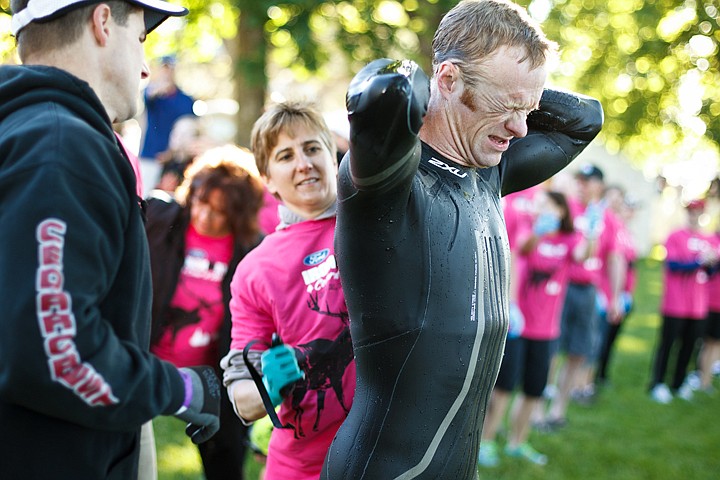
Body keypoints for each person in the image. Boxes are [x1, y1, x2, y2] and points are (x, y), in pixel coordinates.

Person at [321, 1, 604, 478]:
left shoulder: (491, 172)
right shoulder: (388, 181)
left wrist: (512, 91)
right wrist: (452, 79)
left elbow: (586, 119)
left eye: (528, 111)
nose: (520, 129)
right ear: (447, 81)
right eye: (506, 107)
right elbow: (387, 87)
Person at [0, 2, 222, 479]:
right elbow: (55, 354)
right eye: (140, 38)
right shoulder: (60, 146)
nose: (145, 66)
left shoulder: (25, 130)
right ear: (103, 23)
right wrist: (184, 389)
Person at [221, 101, 356, 480]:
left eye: (313, 148)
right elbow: (242, 399)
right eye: (285, 155)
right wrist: (268, 386)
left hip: (392, 459)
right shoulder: (255, 269)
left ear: (333, 156)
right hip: (303, 467)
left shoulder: (376, 223)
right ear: (267, 178)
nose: (303, 164)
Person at [146, 146, 265, 479]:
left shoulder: (252, 250)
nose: (203, 216)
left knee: (224, 458)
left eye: (218, 211)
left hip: (212, 376)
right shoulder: (161, 219)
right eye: (199, 201)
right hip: (148, 360)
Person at [479, 190, 591, 467]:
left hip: (547, 330)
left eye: (549, 206)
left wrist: (592, 231)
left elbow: (582, 254)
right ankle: (487, 441)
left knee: (533, 390)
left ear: (562, 211)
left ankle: (518, 441)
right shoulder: (528, 230)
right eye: (540, 205)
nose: (541, 209)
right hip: (520, 327)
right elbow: (524, 248)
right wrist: (540, 233)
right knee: (503, 389)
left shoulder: (569, 239)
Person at [649, 199, 719, 403]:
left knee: (689, 346)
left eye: (698, 212)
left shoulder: (709, 240)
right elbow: (673, 265)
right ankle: (658, 382)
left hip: (697, 305)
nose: (694, 215)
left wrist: (711, 263)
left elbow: (710, 273)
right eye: (691, 211)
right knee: (668, 344)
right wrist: (699, 261)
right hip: (675, 303)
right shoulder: (675, 236)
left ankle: (678, 383)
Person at [139, 54, 195, 197]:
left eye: (169, 68)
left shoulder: (185, 100)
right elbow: (147, 97)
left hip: (174, 162)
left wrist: (171, 153)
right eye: (164, 68)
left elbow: (189, 127)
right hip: (150, 157)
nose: (167, 72)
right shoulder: (152, 95)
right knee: (144, 196)